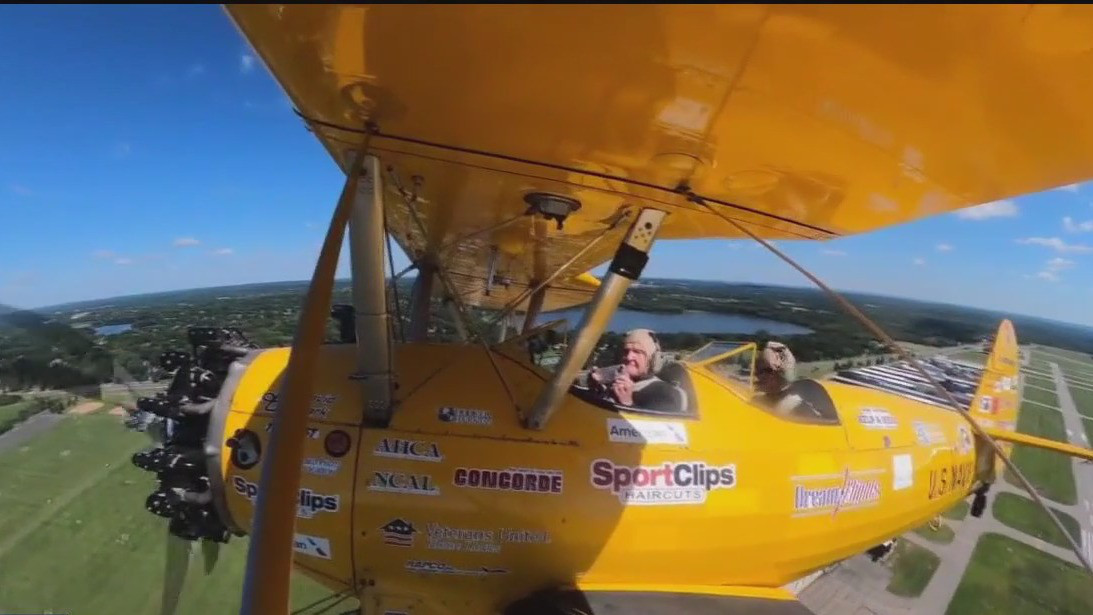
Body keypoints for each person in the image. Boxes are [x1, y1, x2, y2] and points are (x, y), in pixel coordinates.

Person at [588, 328, 686, 413]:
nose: (629, 357)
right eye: (626, 352)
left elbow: (659, 431)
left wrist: (627, 403)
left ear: (653, 359)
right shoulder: (616, 383)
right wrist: (596, 390)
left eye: (638, 352)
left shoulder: (665, 394)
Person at [754, 341, 804, 415]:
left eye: (765, 370)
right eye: (757, 369)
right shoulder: (757, 400)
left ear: (779, 375)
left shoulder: (793, 406)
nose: (757, 375)